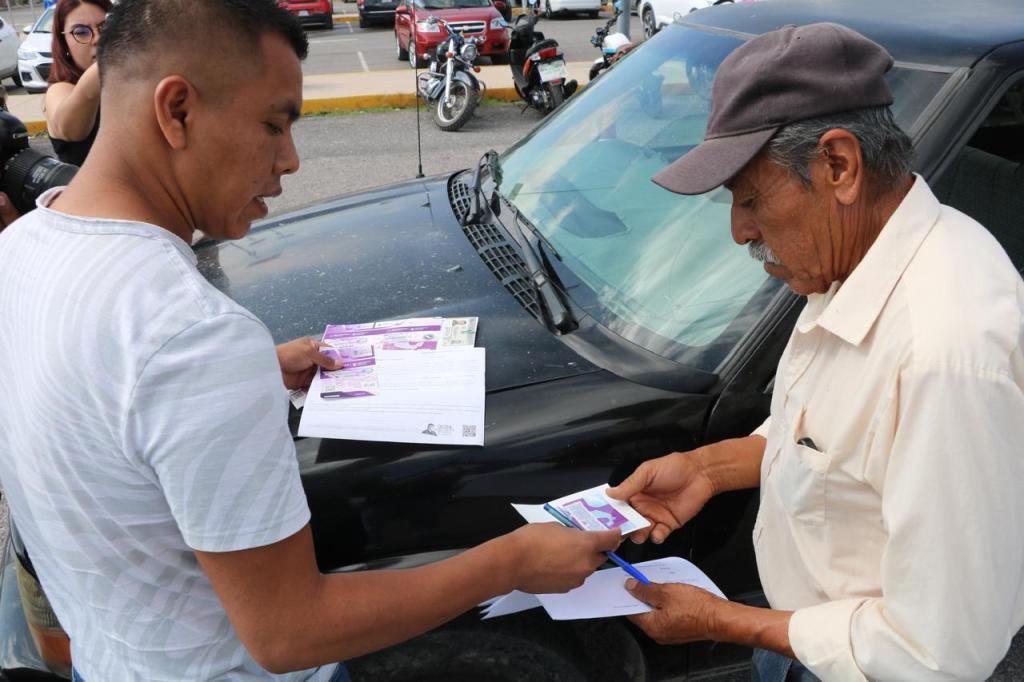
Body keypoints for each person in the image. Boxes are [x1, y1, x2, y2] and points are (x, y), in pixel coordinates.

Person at [0, 1, 619, 680]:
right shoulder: (192, 339)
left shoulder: (25, 248)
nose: (291, 160)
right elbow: (290, 632)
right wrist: (512, 561)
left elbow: (90, 402)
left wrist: (252, 372)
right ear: (176, 110)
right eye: (273, 124)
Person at [606, 22, 1024, 682]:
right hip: (807, 637)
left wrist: (717, 621)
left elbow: (940, 652)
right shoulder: (856, 257)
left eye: (752, 199)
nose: (740, 230)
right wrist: (707, 469)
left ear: (839, 166)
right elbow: (832, 437)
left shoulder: (944, 352)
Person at [45, 0, 111, 166]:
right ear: (63, 42)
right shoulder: (60, 89)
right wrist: (109, 61)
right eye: (81, 31)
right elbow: (69, 129)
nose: (97, 38)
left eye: (106, 26)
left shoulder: (130, 83)